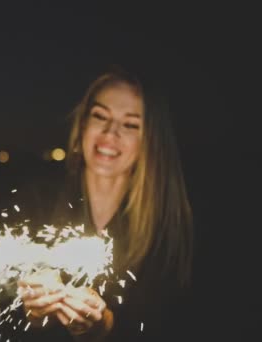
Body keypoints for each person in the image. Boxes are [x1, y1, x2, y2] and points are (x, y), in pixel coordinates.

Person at [17, 67, 194, 341]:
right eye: (100, 116)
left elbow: (166, 326)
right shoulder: (36, 202)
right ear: (83, 123)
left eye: (130, 124)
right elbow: (7, 316)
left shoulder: (165, 228)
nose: (110, 134)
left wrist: (104, 328)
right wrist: (35, 313)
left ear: (150, 140)